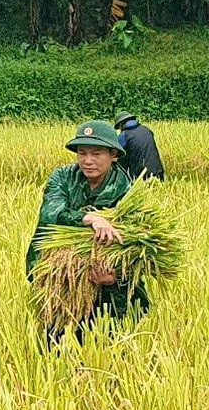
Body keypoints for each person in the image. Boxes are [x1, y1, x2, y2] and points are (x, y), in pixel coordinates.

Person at [25, 120, 148, 338]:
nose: (87, 161)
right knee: (52, 345)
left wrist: (113, 279)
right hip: (59, 280)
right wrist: (88, 218)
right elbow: (51, 213)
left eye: (96, 153)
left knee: (103, 344)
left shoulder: (128, 195)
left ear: (113, 155)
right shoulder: (63, 177)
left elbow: (136, 253)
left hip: (106, 294)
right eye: (82, 153)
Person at [114, 113, 165, 181]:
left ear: (121, 125)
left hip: (141, 176)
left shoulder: (124, 136)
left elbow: (122, 159)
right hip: (158, 170)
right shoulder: (146, 129)